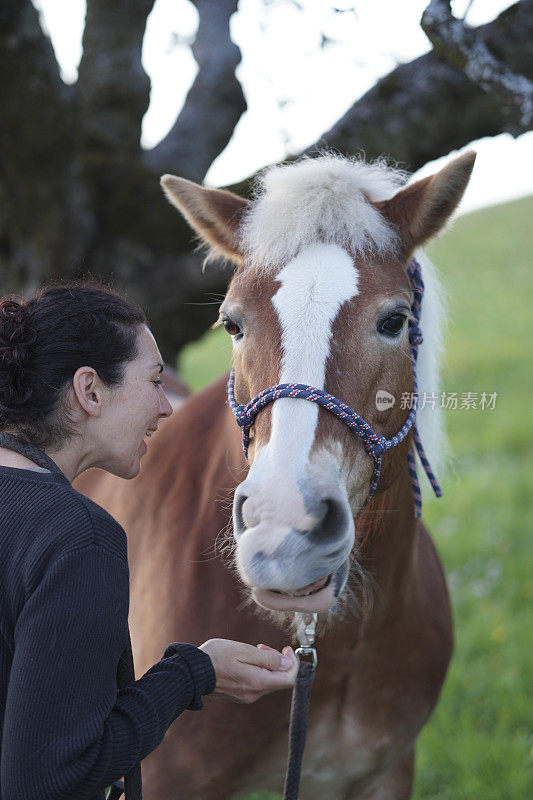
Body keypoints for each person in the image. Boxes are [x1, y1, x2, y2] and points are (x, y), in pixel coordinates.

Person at [0, 283, 298, 800]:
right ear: (89, 391)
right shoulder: (77, 541)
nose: (167, 407)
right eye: (155, 381)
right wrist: (192, 673)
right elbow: (51, 779)